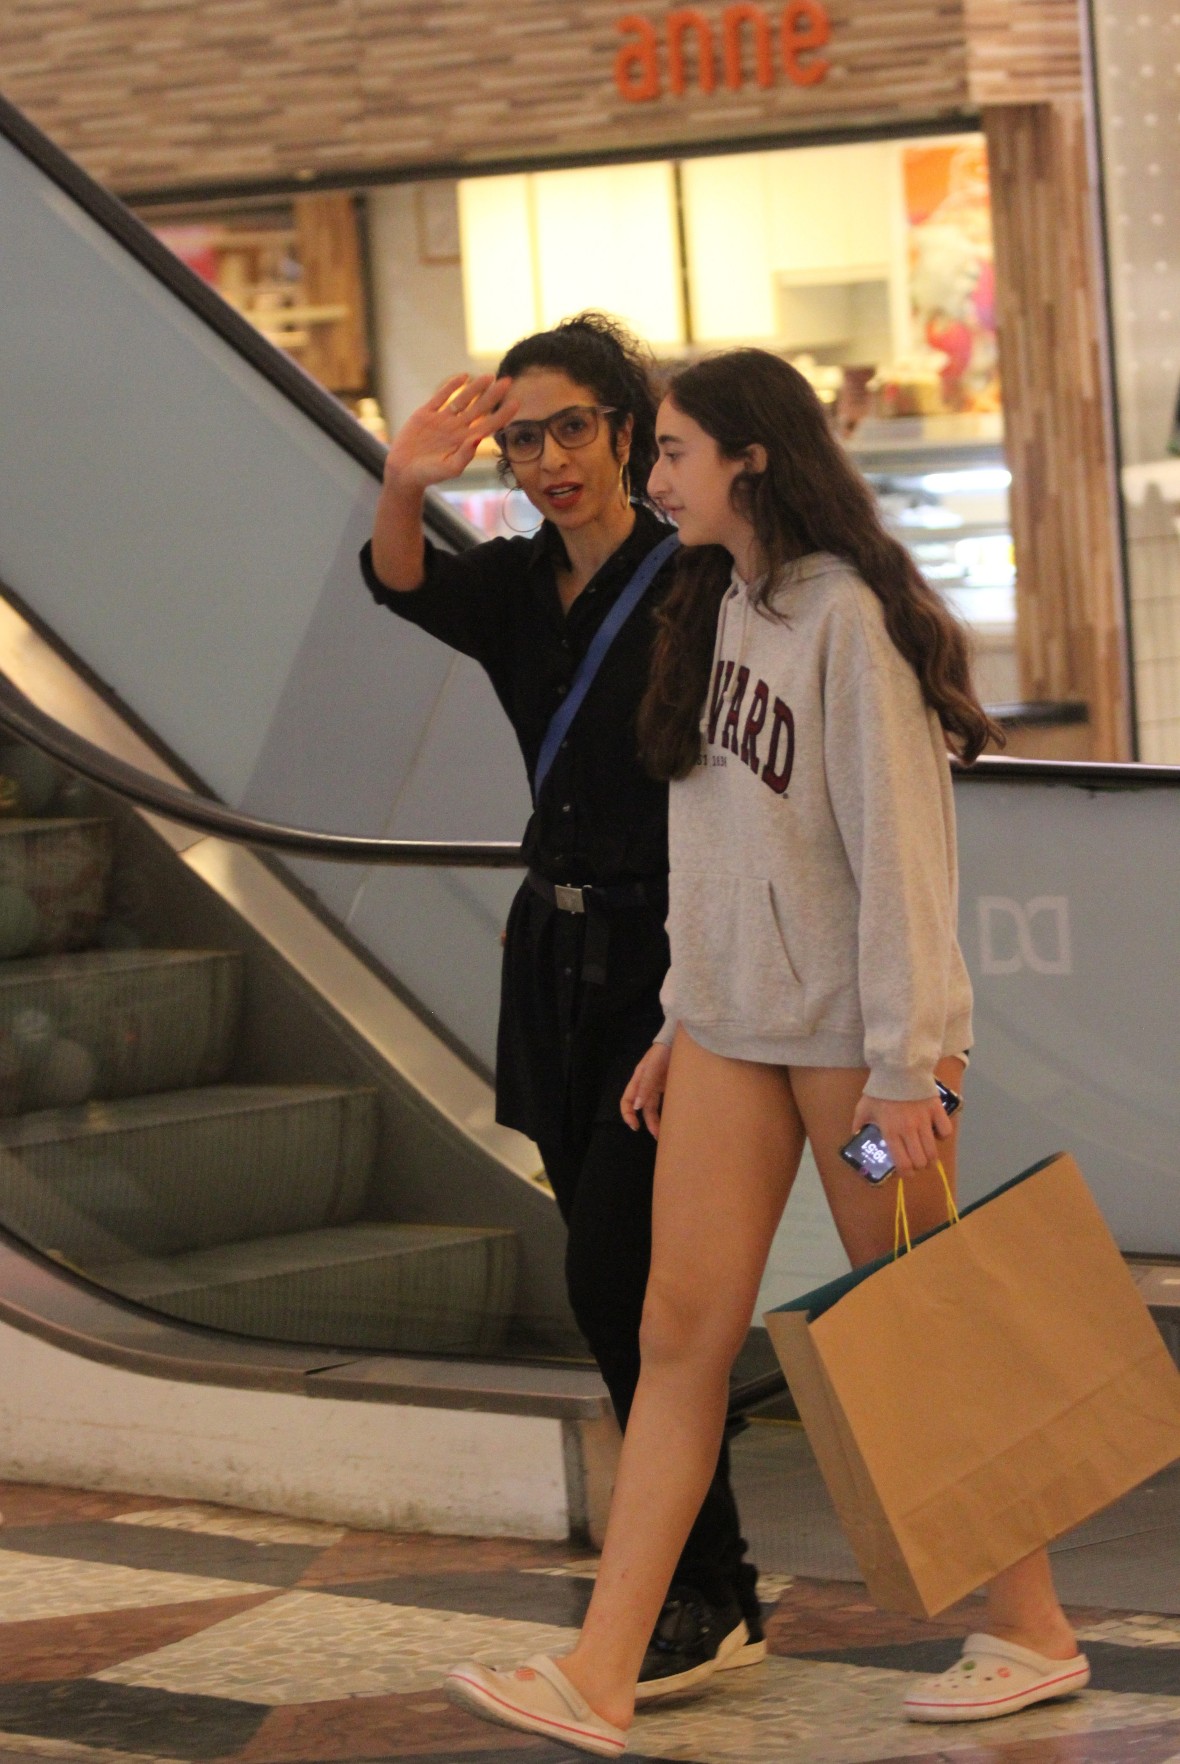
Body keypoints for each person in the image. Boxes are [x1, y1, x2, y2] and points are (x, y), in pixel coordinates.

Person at [443, 348, 1091, 1757]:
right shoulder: (718, 609)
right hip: (735, 1043)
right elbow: (713, 842)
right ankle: (600, 1670)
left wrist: (910, 1070)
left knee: (908, 1327)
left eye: (668, 452)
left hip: (864, 1069)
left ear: (745, 459)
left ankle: (1032, 1625)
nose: (650, 476)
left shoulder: (846, 621)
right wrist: (684, 1014)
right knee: (679, 1337)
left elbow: (908, 856)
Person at [361, 314, 764, 1697]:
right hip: (554, 969)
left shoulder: (698, 578)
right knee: (615, 1295)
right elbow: (400, 583)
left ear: (628, 427)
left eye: (572, 430)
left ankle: (701, 1585)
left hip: (676, 971)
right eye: (521, 438)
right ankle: (705, 1583)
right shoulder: (522, 586)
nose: (547, 461)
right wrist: (408, 477)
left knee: (621, 1282)